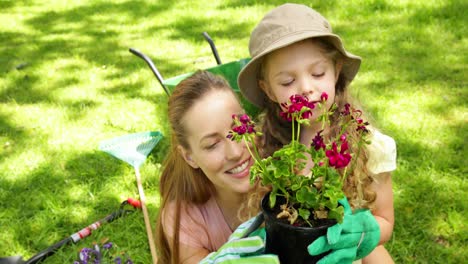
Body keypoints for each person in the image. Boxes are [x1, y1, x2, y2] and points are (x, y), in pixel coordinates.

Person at [237, 3, 397, 264]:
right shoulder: (264, 148)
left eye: (318, 72)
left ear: (336, 70)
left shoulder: (368, 145)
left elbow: (385, 222)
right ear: (268, 90)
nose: (305, 89)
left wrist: (364, 233)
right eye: (287, 82)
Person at [155, 70, 279, 263]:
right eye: (213, 144)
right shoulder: (185, 217)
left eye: (238, 127)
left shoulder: (284, 168)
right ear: (189, 157)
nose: (235, 152)